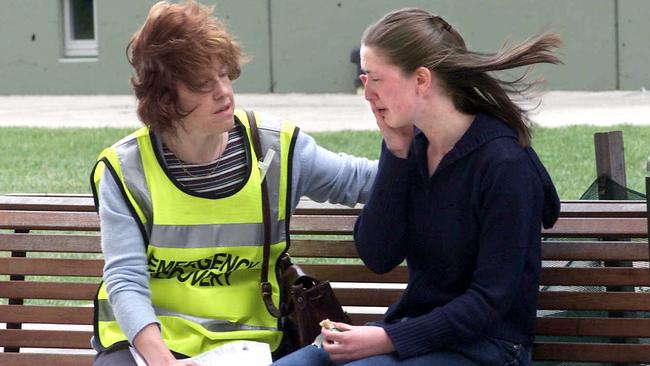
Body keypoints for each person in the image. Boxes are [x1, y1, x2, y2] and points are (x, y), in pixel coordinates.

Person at [89, 1, 377, 365]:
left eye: (224, 75)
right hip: (146, 347)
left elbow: (362, 181)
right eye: (202, 84)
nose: (223, 92)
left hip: (250, 344)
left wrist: (427, 149)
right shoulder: (124, 169)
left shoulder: (276, 149)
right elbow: (125, 281)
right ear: (164, 97)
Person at [272, 7, 561, 366]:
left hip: (487, 347)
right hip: (414, 335)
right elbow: (378, 255)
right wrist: (397, 154)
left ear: (421, 80)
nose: (367, 94)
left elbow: (490, 301)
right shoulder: (413, 145)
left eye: (375, 79)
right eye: (363, 78)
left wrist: (387, 338)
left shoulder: (504, 164)